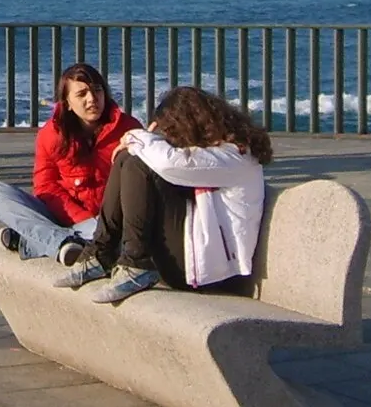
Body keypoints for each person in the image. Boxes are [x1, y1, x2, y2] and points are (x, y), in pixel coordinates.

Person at [55, 86, 269, 306]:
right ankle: (100, 253)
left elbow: (171, 162)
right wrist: (138, 144)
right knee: (128, 160)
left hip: (216, 275)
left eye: (170, 131)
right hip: (194, 262)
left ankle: (136, 263)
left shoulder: (237, 156)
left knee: (139, 163)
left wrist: (139, 137)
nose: (169, 138)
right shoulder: (210, 152)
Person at [0, 63, 140, 264]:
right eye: (82, 94)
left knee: (118, 237)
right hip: (65, 216)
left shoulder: (129, 129)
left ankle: (32, 241)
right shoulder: (50, 134)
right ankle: (62, 242)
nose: (92, 99)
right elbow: (45, 187)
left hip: (109, 222)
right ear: (67, 102)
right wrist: (80, 218)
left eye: (97, 91)